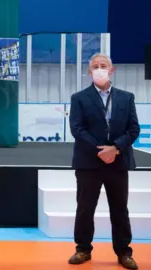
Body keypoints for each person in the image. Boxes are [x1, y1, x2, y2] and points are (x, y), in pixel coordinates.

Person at [68, 53, 140, 270]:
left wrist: (115, 148)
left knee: (119, 209)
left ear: (112, 69)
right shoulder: (79, 98)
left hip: (118, 162)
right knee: (85, 208)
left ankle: (123, 252)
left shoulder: (127, 97)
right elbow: (77, 129)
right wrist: (101, 150)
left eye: (104, 65)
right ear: (90, 72)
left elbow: (133, 129)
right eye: (96, 66)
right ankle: (82, 249)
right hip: (89, 162)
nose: (100, 69)